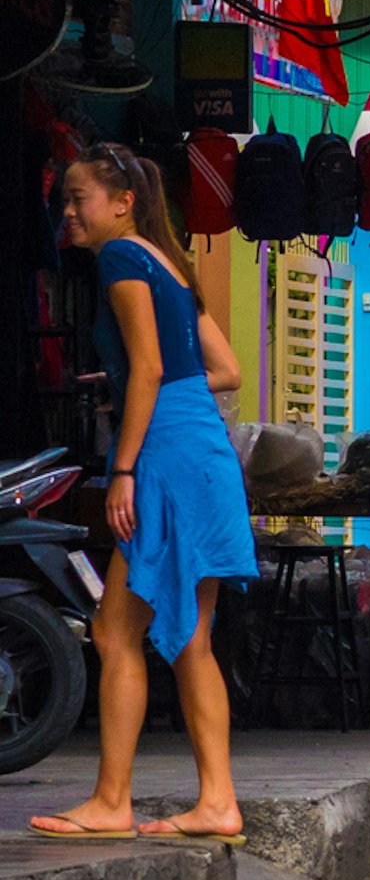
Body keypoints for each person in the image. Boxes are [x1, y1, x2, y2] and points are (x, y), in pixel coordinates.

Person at [29, 147, 254, 844]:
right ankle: (216, 801)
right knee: (188, 639)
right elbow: (225, 369)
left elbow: (154, 367)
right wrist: (126, 384)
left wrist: (122, 467)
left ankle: (112, 801)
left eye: (78, 197)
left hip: (166, 455)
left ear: (122, 201)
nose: (68, 211)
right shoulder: (167, 260)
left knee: (115, 630)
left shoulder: (122, 258)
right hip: (202, 450)